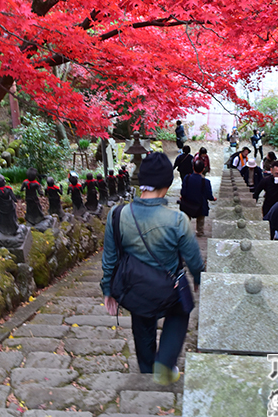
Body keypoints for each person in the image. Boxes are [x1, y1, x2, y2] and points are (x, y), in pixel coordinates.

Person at [101, 152, 204, 384]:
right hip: (169, 288)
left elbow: (110, 258)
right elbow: (193, 258)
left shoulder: (117, 215)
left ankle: (147, 371)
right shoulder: (177, 219)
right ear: (167, 185)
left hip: (134, 286)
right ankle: (164, 364)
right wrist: (198, 277)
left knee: (142, 322)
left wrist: (108, 289)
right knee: (180, 311)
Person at [180, 160, 216, 236]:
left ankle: (185, 230)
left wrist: (183, 197)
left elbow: (183, 192)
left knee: (186, 217)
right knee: (200, 218)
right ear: (203, 169)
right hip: (200, 205)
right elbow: (209, 195)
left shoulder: (187, 178)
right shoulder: (206, 182)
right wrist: (213, 198)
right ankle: (199, 231)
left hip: (187, 203)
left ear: (193, 168)